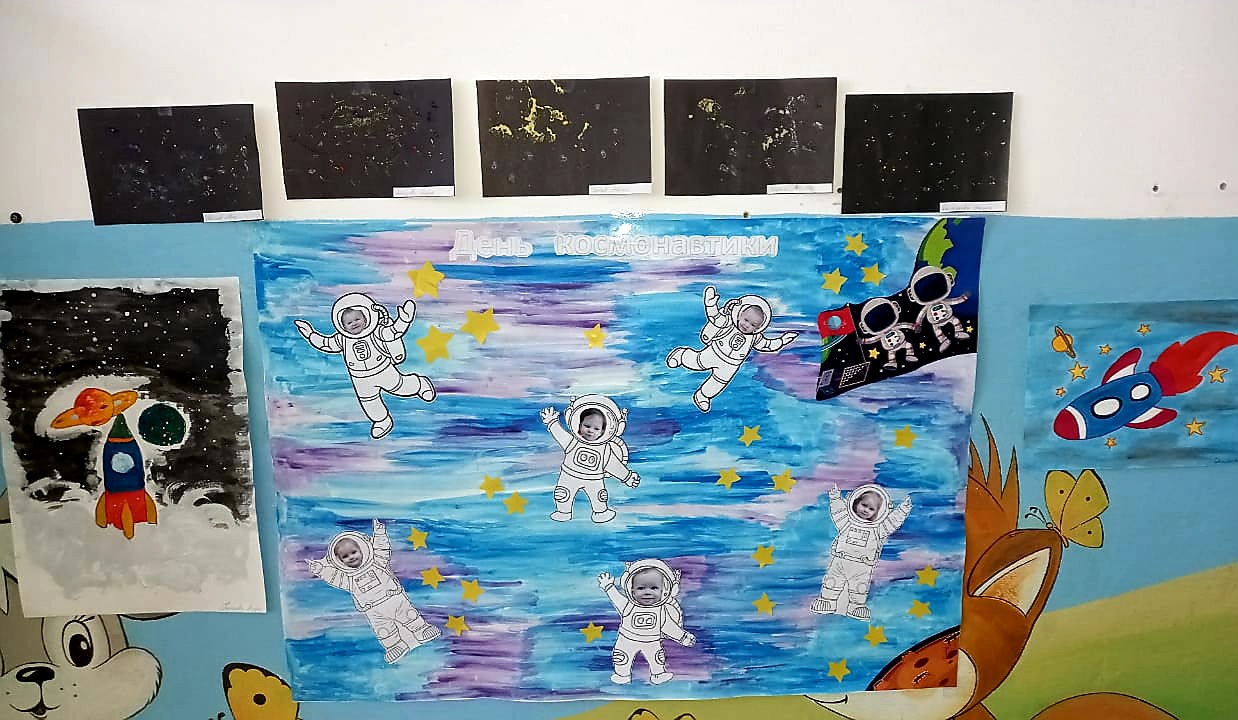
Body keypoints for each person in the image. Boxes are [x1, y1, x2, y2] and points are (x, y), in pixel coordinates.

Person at [294, 292, 436, 439]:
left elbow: (394, 332)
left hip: (383, 370)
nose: (354, 323)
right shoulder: (341, 339)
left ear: (366, 317)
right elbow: (325, 344)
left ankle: (419, 384)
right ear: (342, 326)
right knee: (369, 401)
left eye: (357, 319)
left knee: (400, 387)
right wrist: (310, 334)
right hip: (361, 378)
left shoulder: (377, 331)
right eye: (349, 323)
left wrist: (404, 319)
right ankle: (382, 421)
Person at [306, 519, 440, 663]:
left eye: (353, 552)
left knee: (409, 616)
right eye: (345, 556)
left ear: (361, 549)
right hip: (374, 610)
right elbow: (333, 577)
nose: (351, 557)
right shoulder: (348, 579)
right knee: (384, 630)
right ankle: (395, 646)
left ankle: (421, 630)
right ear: (339, 561)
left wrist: (379, 532)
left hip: (393, 600)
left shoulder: (377, 563)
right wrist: (321, 570)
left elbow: (382, 548)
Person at [666, 285, 798, 412]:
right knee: (696, 363)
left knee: (719, 382)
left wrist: (782, 341)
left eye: (753, 325)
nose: (747, 325)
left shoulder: (755, 338)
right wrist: (710, 304)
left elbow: (767, 345)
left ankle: (703, 396)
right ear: (739, 315)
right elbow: (714, 316)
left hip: (730, 365)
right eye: (746, 320)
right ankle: (681, 355)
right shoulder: (728, 322)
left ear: (758, 328)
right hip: (715, 352)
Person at [810, 483, 911, 621]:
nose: (866, 510)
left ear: (877, 513)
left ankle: (856, 607)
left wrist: (902, 510)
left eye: (871, 509)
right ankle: (827, 601)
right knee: (832, 582)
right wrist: (835, 498)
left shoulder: (877, 530)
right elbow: (838, 511)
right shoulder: (847, 522)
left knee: (859, 587)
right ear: (856, 502)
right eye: (864, 505)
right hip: (840, 561)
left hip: (862, 566)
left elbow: (891, 523)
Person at [540, 394, 639, 523]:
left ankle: (601, 512)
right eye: (587, 426)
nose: (590, 430)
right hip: (569, 476)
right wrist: (552, 422)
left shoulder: (604, 449)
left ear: (603, 431)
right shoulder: (573, 442)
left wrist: (627, 477)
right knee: (563, 494)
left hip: (594, 480)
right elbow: (559, 434)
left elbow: (614, 465)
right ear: (579, 424)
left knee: (599, 497)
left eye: (596, 428)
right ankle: (563, 511)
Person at [598, 558, 695, 685]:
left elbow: (669, 627)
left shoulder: (661, 611)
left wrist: (683, 637)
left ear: (664, 590)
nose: (647, 592)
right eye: (641, 588)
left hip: (652, 642)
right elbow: (616, 598)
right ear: (632, 590)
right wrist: (609, 587)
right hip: (626, 640)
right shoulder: (628, 606)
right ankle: (622, 675)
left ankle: (658, 674)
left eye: (654, 588)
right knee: (622, 657)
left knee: (657, 659)